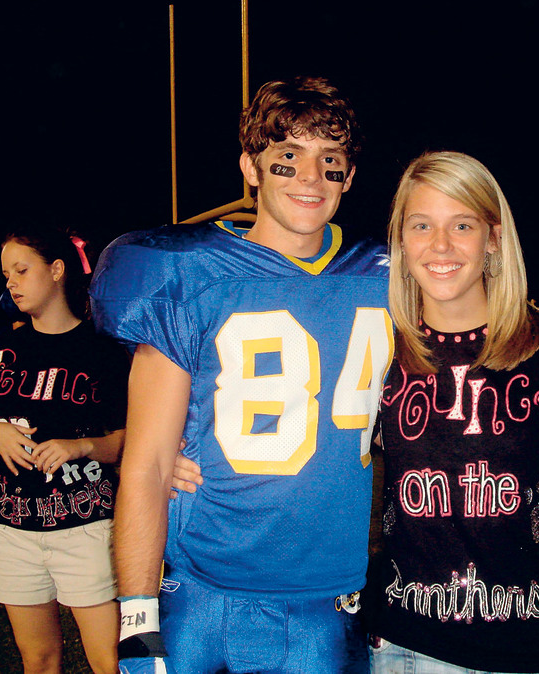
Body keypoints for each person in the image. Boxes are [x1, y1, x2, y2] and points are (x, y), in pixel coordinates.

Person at [90, 76, 392, 673]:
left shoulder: (387, 277)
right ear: (250, 167)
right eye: (287, 158)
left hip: (330, 593)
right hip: (204, 592)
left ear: (349, 177)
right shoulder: (187, 273)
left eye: (329, 161)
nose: (309, 177)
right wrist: (136, 625)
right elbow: (148, 465)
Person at [367, 152, 539, 673]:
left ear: (494, 237)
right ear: (401, 242)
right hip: (409, 648)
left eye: (462, 224)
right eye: (422, 225)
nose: (441, 245)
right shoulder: (377, 349)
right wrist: (190, 457)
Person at [0, 225, 129, 674]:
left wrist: (80, 446)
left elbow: (130, 442)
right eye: (6, 275)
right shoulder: (3, 352)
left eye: (21, 270)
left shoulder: (103, 352)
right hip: (11, 531)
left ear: (57, 270)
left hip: (85, 530)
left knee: (109, 661)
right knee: (38, 660)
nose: (11, 283)